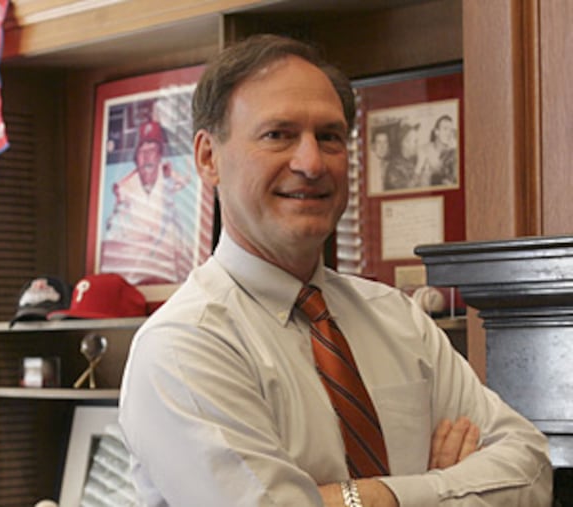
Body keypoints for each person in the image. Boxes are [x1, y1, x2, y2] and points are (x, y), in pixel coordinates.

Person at [119, 34, 552, 506]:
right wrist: (445, 487)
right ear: (207, 157)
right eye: (278, 134)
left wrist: (369, 497)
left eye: (329, 137)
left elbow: (531, 472)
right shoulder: (184, 347)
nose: (310, 163)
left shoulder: (397, 318)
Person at [100, 119, 194, 286]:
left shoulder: (169, 180)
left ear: (160, 156)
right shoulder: (124, 190)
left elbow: (187, 180)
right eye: (142, 152)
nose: (147, 157)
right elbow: (112, 239)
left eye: (152, 151)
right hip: (132, 274)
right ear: (136, 158)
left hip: (168, 274)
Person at [414, 114, 458, 187]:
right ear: (436, 132)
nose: (449, 133)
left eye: (451, 130)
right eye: (445, 129)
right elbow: (416, 179)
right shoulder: (423, 150)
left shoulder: (453, 152)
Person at [384, 122, 419, 191]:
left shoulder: (415, 159)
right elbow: (406, 191)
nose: (417, 145)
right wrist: (419, 167)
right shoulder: (393, 167)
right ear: (405, 143)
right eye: (415, 141)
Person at [367, 128, 390, 194]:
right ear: (373, 145)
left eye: (385, 142)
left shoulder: (386, 164)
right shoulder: (370, 166)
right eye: (379, 142)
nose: (382, 146)